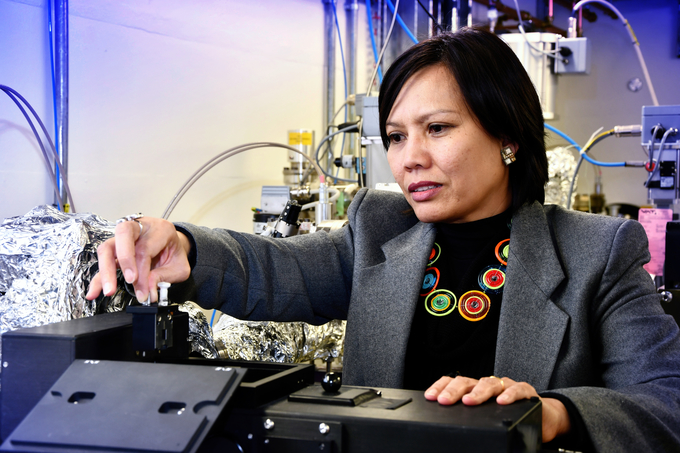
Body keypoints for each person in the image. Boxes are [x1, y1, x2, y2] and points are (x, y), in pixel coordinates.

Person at [87, 27, 680, 452]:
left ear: (508, 136)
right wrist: (186, 250)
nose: (410, 159)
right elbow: (271, 268)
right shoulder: (379, 230)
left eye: (438, 129)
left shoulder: (598, 252)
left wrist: (552, 412)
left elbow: (664, 406)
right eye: (395, 137)